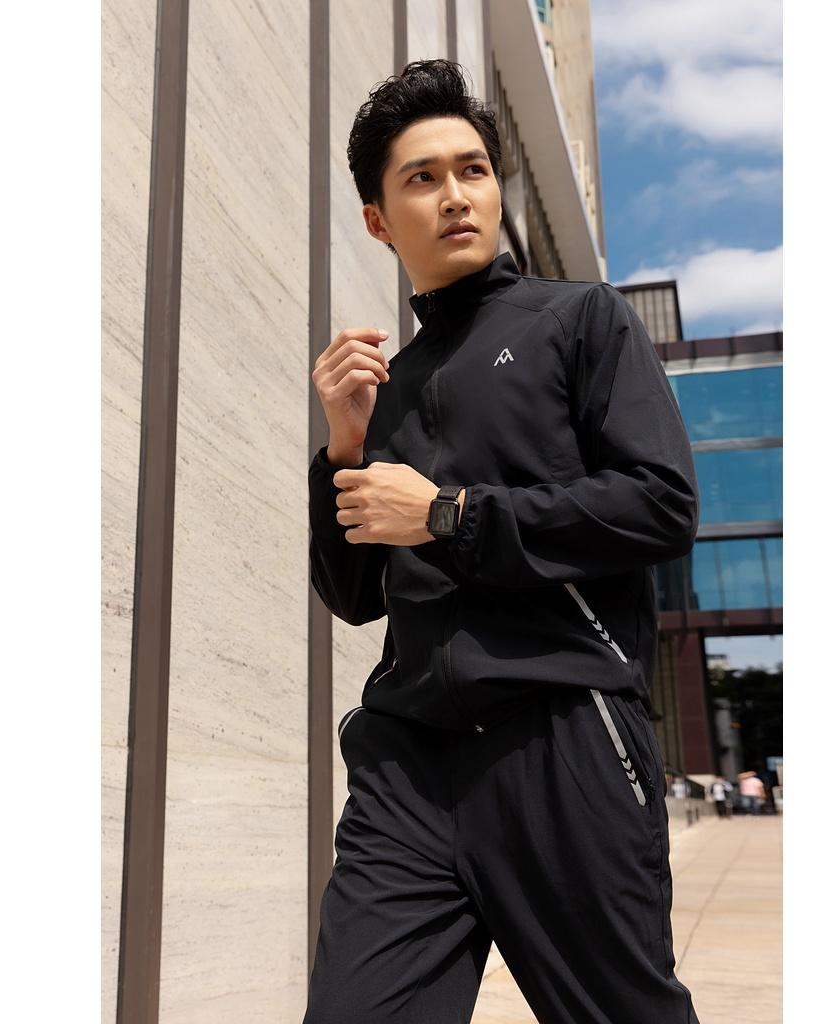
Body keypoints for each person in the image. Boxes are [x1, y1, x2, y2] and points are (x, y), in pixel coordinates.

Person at [304, 60, 701, 1024]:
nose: (455, 195)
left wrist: (450, 514)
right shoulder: (389, 384)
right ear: (378, 220)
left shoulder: (581, 319)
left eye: (472, 170)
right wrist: (344, 448)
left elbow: (659, 504)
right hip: (407, 766)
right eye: (423, 178)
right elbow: (355, 593)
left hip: (560, 736)